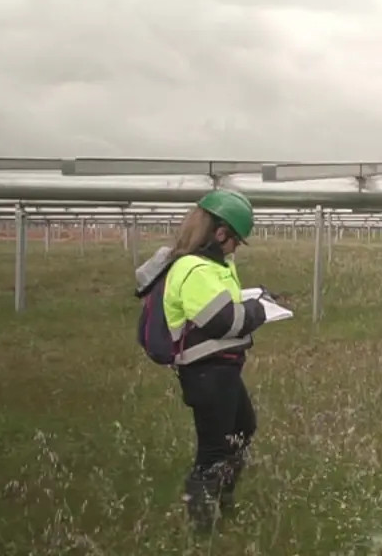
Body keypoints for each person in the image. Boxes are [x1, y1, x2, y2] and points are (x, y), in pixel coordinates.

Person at [137, 189, 269, 533]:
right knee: (213, 452)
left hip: (221, 369)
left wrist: (250, 300)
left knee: (242, 429)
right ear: (219, 232)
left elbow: (223, 303)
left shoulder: (209, 265)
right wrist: (257, 311)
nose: (235, 248)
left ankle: (222, 503)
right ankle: (203, 529)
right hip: (207, 374)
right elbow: (222, 320)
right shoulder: (193, 269)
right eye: (235, 240)